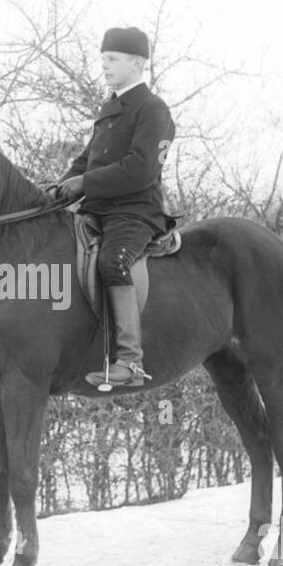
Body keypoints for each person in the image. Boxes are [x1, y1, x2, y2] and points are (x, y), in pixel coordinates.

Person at [57, 26, 175, 388]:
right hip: (98, 209)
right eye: (103, 58)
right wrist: (62, 186)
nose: (104, 65)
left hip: (135, 211)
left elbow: (140, 168)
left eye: (112, 59)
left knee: (112, 261)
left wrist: (85, 184)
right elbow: (87, 160)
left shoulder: (153, 109)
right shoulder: (111, 107)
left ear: (137, 64)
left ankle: (130, 362)